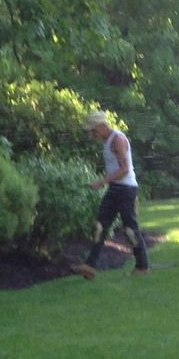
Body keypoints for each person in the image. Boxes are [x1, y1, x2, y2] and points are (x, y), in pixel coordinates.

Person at [76, 109, 149, 278]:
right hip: (115, 189)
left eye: (93, 130)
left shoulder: (118, 139)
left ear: (101, 126)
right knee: (100, 226)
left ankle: (142, 267)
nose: (92, 134)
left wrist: (102, 182)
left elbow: (125, 169)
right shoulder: (107, 140)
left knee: (130, 229)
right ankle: (90, 266)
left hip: (126, 189)